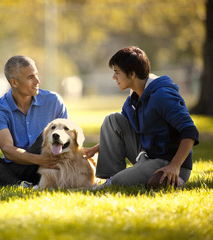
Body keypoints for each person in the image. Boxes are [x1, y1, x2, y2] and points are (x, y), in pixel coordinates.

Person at [85, 46, 199, 188]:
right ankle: (111, 178)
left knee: (119, 183)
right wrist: (95, 149)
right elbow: (119, 131)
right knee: (112, 119)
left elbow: (190, 131)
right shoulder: (133, 98)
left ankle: (114, 183)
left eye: (117, 73)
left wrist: (175, 166)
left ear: (132, 74)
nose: (114, 77)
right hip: (147, 156)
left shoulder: (162, 96)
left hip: (170, 163)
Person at [0, 55, 68, 187]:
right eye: (30, 77)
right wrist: (39, 159)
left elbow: (67, 138)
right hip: (21, 163)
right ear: (14, 82)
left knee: (51, 133)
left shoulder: (53, 101)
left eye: (37, 75)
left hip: (46, 169)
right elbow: (8, 150)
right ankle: (15, 182)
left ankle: (4, 181)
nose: (37, 81)